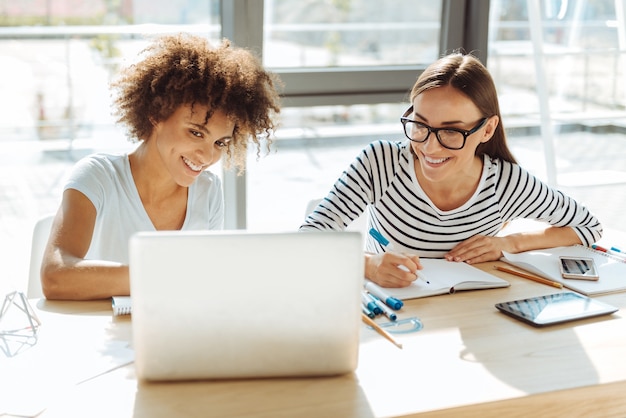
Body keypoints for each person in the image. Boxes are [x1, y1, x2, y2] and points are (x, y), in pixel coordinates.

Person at [300, 51, 602, 289]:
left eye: (451, 132)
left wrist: (508, 244)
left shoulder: (505, 183)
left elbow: (589, 228)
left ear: (487, 130)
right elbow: (308, 239)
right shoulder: (381, 162)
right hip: (390, 314)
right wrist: (367, 264)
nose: (430, 147)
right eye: (420, 125)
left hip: (468, 319)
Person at [41, 33, 281, 300]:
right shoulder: (98, 176)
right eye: (196, 133)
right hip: (103, 335)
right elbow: (55, 276)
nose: (207, 156)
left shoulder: (208, 191)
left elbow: (203, 287)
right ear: (157, 114)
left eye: (220, 143)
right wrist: (161, 277)